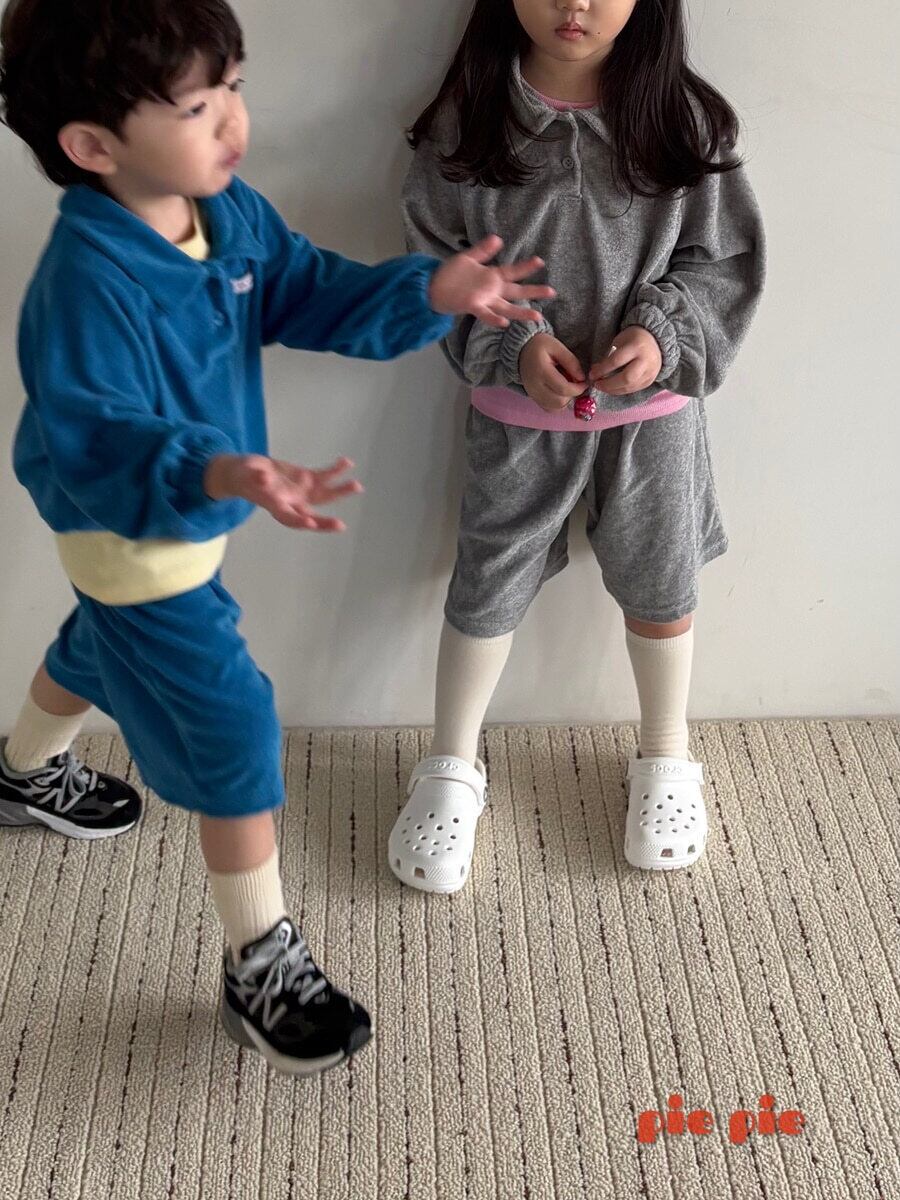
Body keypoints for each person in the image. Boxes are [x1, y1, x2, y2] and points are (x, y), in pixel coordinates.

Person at [0, 0, 552, 1074]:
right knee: (237, 729)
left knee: (98, 646)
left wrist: (430, 291)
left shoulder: (225, 212)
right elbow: (91, 434)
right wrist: (218, 469)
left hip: (195, 520)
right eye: (196, 107)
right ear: (93, 146)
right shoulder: (85, 283)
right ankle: (259, 961)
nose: (232, 120)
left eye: (234, 87)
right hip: (135, 538)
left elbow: (306, 289)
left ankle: (22, 770)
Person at [390, 0, 765, 892]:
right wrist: (515, 345)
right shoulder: (466, 125)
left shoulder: (685, 121)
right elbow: (433, 267)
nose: (576, 3)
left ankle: (666, 753)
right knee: (487, 582)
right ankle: (451, 764)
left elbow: (722, 260)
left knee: (661, 579)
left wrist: (663, 337)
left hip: (654, 414)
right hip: (516, 414)